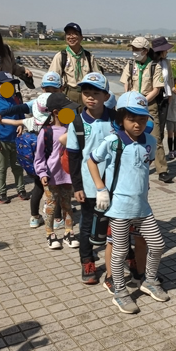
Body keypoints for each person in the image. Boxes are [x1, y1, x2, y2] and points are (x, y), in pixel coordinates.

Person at [87, 92, 168, 314]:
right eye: (132, 119)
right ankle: (120, 292)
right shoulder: (113, 142)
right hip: (120, 209)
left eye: (142, 119)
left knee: (158, 244)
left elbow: (144, 166)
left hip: (142, 207)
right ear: (121, 118)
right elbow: (91, 161)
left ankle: (149, 280)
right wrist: (100, 189)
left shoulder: (150, 141)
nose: (138, 124)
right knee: (120, 250)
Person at [0, 72, 64, 228]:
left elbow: (17, 114)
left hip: (38, 158)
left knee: (38, 186)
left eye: (54, 90)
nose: (50, 93)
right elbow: (18, 108)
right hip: (54, 156)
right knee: (55, 187)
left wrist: (0, 116)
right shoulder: (61, 106)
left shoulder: (33, 118)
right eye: (48, 90)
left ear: (61, 89)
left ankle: (35, 217)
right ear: (43, 89)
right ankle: (56, 219)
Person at [66, 72, 115, 284]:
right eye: (86, 93)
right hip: (88, 185)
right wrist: (77, 187)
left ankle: (127, 258)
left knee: (118, 223)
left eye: (96, 93)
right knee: (87, 224)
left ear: (106, 96)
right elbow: (74, 158)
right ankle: (87, 262)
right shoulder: (76, 124)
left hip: (115, 184)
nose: (91, 97)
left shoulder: (116, 119)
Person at [120, 37, 171, 182]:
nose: (134, 52)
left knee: (155, 136)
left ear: (146, 51)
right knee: (128, 134)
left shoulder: (155, 66)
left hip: (149, 103)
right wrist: (130, 98)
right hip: (131, 104)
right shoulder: (130, 65)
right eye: (133, 49)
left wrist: (142, 101)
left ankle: (162, 170)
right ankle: (128, 165)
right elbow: (126, 83)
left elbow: (157, 88)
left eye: (137, 49)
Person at [33, 93, 79, 250]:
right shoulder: (46, 132)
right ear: (56, 112)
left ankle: (68, 232)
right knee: (51, 205)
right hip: (51, 175)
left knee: (67, 205)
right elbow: (39, 157)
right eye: (68, 110)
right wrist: (42, 173)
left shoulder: (72, 128)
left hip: (68, 175)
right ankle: (50, 233)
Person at [0, 72, 30, 204]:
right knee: (1, 168)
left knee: (17, 166)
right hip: (1, 142)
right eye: (6, 85)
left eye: (12, 85)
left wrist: (21, 125)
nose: (10, 88)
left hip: (16, 140)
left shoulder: (16, 100)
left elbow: (21, 115)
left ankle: (21, 189)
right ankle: (1, 192)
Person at [48, 23, 100, 105]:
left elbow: (98, 78)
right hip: (67, 95)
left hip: (86, 95)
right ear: (65, 37)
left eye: (75, 34)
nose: (71, 37)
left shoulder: (89, 57)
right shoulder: (61, 56)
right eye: (68, 34)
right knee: (68, 118)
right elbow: (52, 80)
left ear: (81, 37)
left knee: (85, 117)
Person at [152, 36, 174, 160]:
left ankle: (158, 155)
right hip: (153, 97)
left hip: (165, 98)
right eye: (165, 50)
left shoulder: (167, 63)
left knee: (160, 130)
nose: (167, 52)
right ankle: (154, 155)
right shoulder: (151, 63)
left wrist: (170, 94)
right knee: (153, 128)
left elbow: (169, 80)